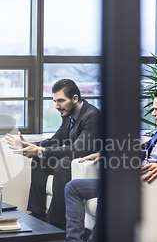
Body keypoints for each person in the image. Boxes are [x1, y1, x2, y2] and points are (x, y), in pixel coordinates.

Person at [39, 88, 157, 242]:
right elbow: (139, 149)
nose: (153, 113)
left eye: (156, 109)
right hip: (128, 180)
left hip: (147, 186)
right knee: (73, 187)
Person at [6, 79, 101, 228]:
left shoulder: (91, 116)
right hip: (73, 162)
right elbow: (54, 140)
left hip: (89, 167)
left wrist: (40, 151)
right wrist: (29, 146)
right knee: (39, 160)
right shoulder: (68, 114)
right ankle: (37, 215)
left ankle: (56, 223)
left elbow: (77, 150)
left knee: (62, 165)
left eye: (61, 101)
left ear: (75, 98)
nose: (57, 106)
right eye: (55, 101)